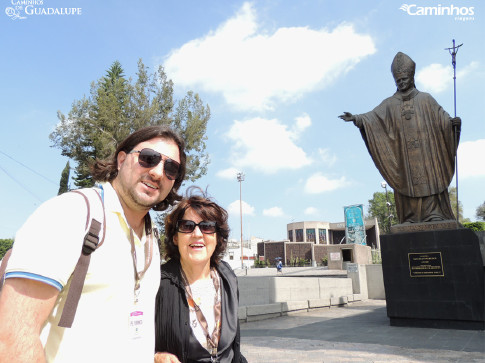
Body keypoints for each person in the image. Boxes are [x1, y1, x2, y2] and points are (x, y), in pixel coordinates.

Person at [0, 125, 186, 362]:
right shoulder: (69, 213)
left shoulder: (150, 238)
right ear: (121, 160)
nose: (158, 172)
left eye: (171, 169)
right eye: (149, 158)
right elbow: (14, 337)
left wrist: (151, 356)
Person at [339, 52, 461, 224]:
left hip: (426, 154)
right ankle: (410, 217)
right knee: (405, 182)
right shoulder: (390, 103)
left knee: (430, 179)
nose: (402, 82)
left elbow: (443, 120)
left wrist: (453, 124)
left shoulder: (426, 99)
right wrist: (357, 118)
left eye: (404, 79)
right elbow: (373, 118)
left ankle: (434, 214)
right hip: (404, 157)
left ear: (412, 77)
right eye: (399, 80)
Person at [155, 188, 247, 363]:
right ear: (175, 237)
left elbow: (235, 349)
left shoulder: (227, 277)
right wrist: (154, 357)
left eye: (207, 227)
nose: (197, 234)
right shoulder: (157, 283)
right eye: (187, 226)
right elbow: (129, 341)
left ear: (217, 237)